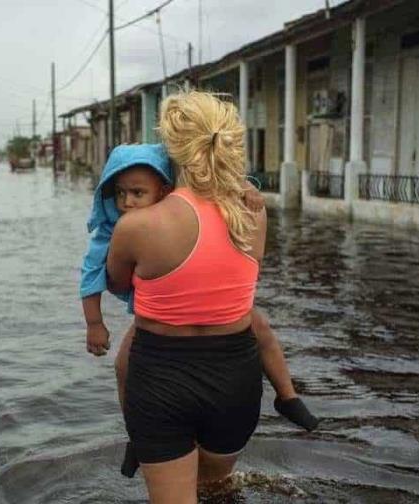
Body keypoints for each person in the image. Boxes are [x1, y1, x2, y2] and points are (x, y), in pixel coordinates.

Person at [105, 91, 315, 502]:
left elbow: (116, 283)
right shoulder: (252, 212)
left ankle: (139, 439)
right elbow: (243, 276)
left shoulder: (138, 225)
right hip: (234, 378)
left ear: (171, 150)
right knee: (216, 492)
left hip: (159, 377)